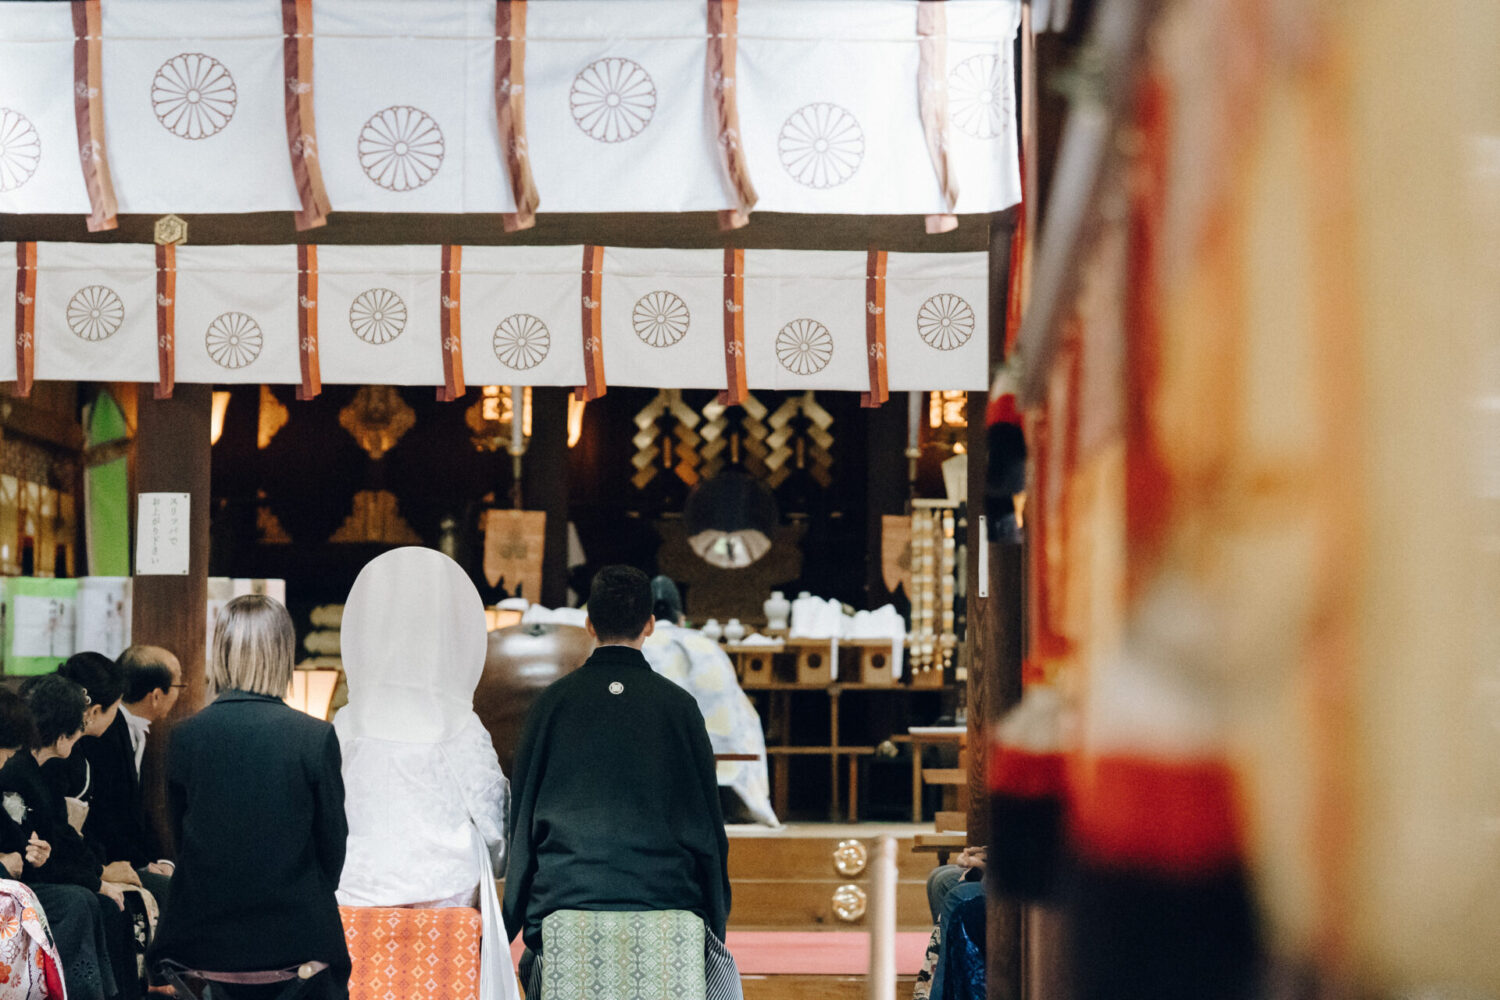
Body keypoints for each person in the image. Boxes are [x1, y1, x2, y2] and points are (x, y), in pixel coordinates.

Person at [503, 565, 740, 998]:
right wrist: (714, 917)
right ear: (650, 624)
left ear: (589, 624)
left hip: (566, 899)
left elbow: (522, 823)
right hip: (666, 898)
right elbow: (708, 825)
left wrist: (513, 920)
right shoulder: (679, 707)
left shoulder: (551, 705)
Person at [335, 547, 521, 1000]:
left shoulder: (349, 720)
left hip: (359, 887)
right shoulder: (457, 721)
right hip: (445, 892)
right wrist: (499, 861)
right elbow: (492, 815)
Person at [148, 595, 350, 1000]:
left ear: (222, 652)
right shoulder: (314, 737)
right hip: (297, 941)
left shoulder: (185, 736)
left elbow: (179, 841)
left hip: (202, 940)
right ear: (283, 653)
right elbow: (333, 850)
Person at [0, 675, 137, 1000]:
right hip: (18, 882)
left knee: (99, 903)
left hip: (24, 875)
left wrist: (36, 854)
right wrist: (95, 879)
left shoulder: (34, 770)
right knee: (79, 901)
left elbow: (46, 839)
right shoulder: (19, 771)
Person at [641, 575, 777, 826]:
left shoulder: (636, 645)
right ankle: (741, 803)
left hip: (651, 755)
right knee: (747, 719)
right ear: (681, 618)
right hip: (714, 756)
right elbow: (740, 710)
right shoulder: (707, 645)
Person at [77, 646, 179, 900]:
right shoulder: (104, 729)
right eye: (179, 686)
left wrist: (159, 859)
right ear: (156, 695)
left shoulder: (125, 726)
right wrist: (140, 863)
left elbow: (135, 810)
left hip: (122, 856)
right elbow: (105, 811)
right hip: (101, 859)